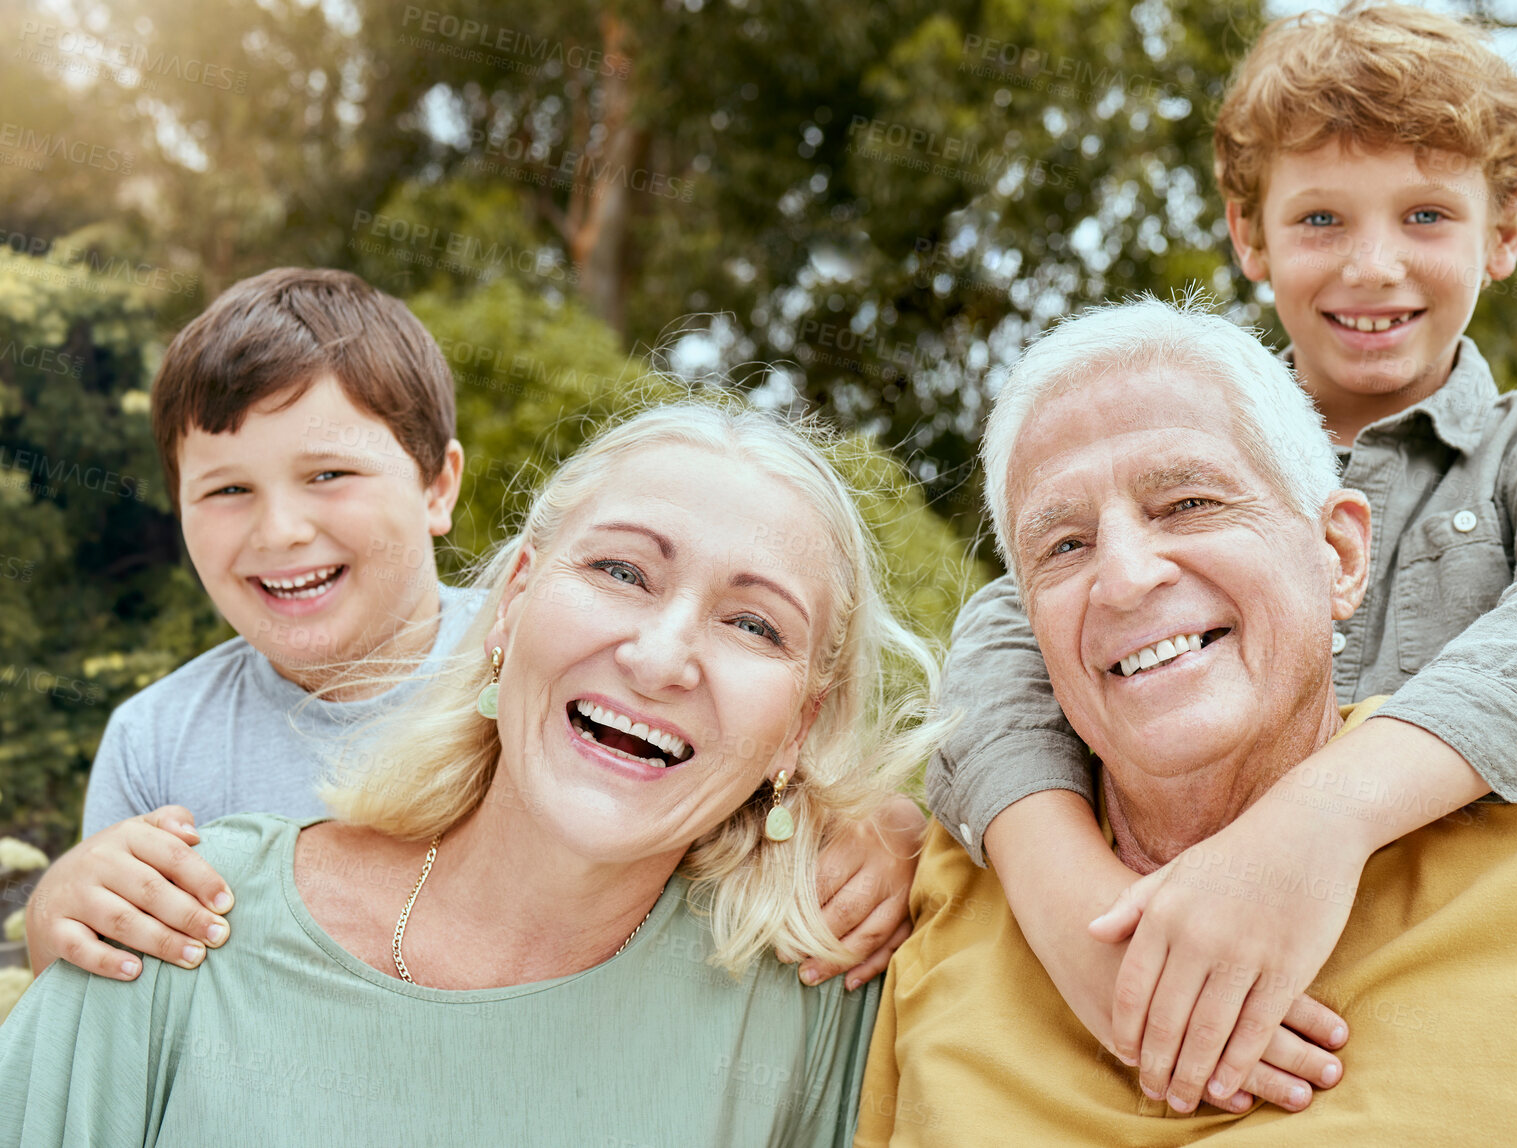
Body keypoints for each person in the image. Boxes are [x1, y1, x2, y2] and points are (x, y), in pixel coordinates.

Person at [922, 2, 1517, 1113]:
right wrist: (1076, 921)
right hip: (1186, 947)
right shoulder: (1174, 455)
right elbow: (1003, 648)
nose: (1374, 265)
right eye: (1322, 219)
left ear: (1506, 231)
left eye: (1428, 213)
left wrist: (1322, 818)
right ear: (1250, 238)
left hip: (1443, 969)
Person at [854, 298, 1517, 1146]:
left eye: (1189, 503)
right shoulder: (950, 885)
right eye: (1065, 546)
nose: (1124, 578)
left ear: (1341, 555)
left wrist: (1323, 816)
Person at [0, 403, 936, 1144]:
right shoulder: (176, 918)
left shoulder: (825, 1005)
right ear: (513, 600)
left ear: (799, 727)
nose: (660, 658)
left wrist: (920, 838)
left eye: (754, 625)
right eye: (620, 571)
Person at [25, 269, 919, 993]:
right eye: (227, 490)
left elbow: (771, 773)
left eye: (329, 473)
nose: (281, 531)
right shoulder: (153, 739)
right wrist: (60, 912)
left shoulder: (555, 670)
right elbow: (103, 983)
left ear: (438, 487)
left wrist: (879, 834)